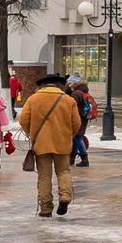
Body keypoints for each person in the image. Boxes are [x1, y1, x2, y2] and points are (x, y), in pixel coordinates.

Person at [16, 73, 81, 216]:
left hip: (41, 143)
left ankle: (45, 208)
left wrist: (32, 132)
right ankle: (64, 198)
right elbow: (76, 123)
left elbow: (23, 120)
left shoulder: (33, 99)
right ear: (60, 85)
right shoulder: (68, 100)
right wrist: (68, 135)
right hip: (62, 143)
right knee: (64, 172)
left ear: (42, 85)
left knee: (44, 176)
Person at [66, 74, 94, 167]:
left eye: (70, 83)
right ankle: (72, 158)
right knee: (75, 138)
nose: (69, 85)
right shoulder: (83, 91)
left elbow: (72, 106)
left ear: (75, 83)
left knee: (78, 138)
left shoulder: (76, 93)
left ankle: (84, 158)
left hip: (78, 118)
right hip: (83, 117)